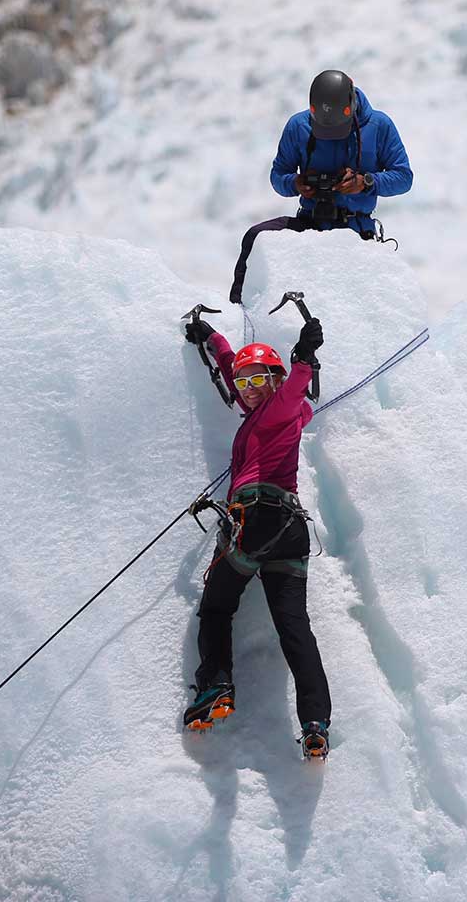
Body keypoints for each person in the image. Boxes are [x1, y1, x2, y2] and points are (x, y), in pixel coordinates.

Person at [181, 309, 332, 758]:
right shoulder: (271, 412)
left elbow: (291, 388)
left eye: (257, 381)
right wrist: (213, 338)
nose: (247, 389)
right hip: (289, 532)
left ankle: (216, 687)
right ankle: (315, 724)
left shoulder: (282, 407)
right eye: (242, 385)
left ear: (276, 379)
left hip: (254, 519)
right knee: (294, 628)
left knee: (216, 608)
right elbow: (238, 372)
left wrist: (303, 358)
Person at [270, 69, 414, 239]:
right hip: (310, 228)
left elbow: (404, 178)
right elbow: (278, 175)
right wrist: (296, 183)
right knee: (254, 236)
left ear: (352, 105)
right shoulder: (298, 126)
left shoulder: (380, 125)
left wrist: (366, 182)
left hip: (358, 232)